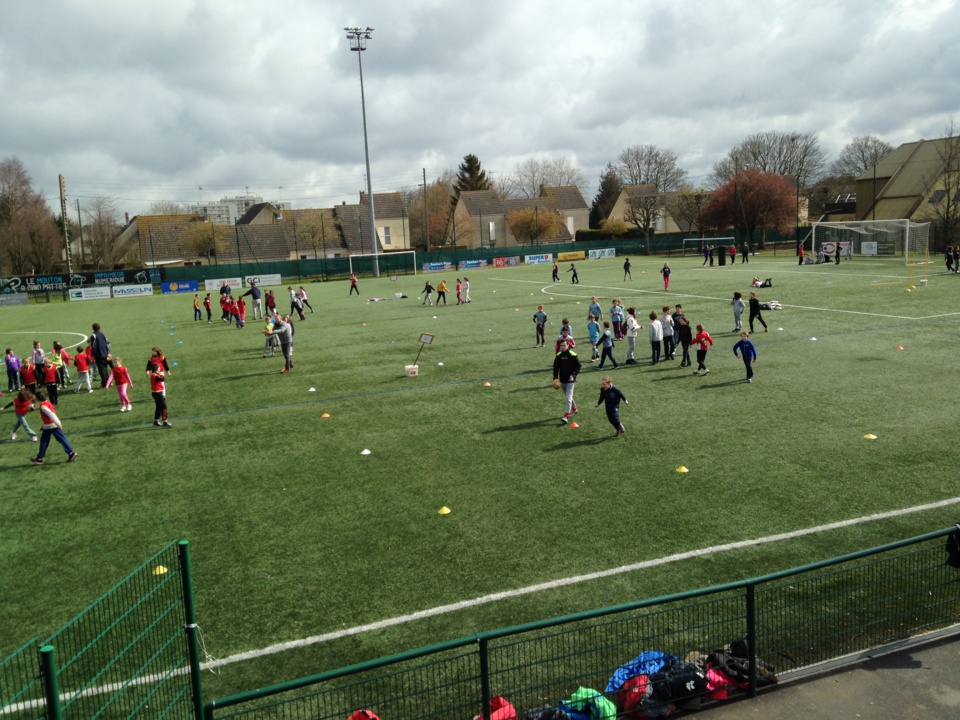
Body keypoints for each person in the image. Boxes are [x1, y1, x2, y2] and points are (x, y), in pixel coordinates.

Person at [31, 389, 77, 464]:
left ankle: (71, 452)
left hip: (51, 425)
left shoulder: (43, 406)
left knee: (46, 441)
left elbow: (51, 414)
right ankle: (39, 458)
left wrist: (58, 423)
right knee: (57, 439)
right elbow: (50, 414)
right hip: (50, 425)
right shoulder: (47, 403)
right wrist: (44, 426)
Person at [552, 339, 581, 425]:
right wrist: (555, 378)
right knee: (568, 396)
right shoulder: (559, 355)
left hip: (570, 381)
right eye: (561, 346)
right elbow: (555, 367)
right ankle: (574, 408)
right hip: (562, 380)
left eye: (564, 345)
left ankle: (566, 416)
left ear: (568, 345)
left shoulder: (573, 355)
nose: (563, 347)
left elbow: (579, 366)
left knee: (568, 398)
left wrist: (573, 375)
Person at [149, 358, 172, 427]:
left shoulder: (153, 375)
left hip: (157, 393)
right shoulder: (155, 375)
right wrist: (160, 374)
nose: (160, 369)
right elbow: (162, 379)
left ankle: (156, 421)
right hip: (157, 393)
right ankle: (165, 421)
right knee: (164, 407)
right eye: (159, 368)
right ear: (157, 369)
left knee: (158, 407)